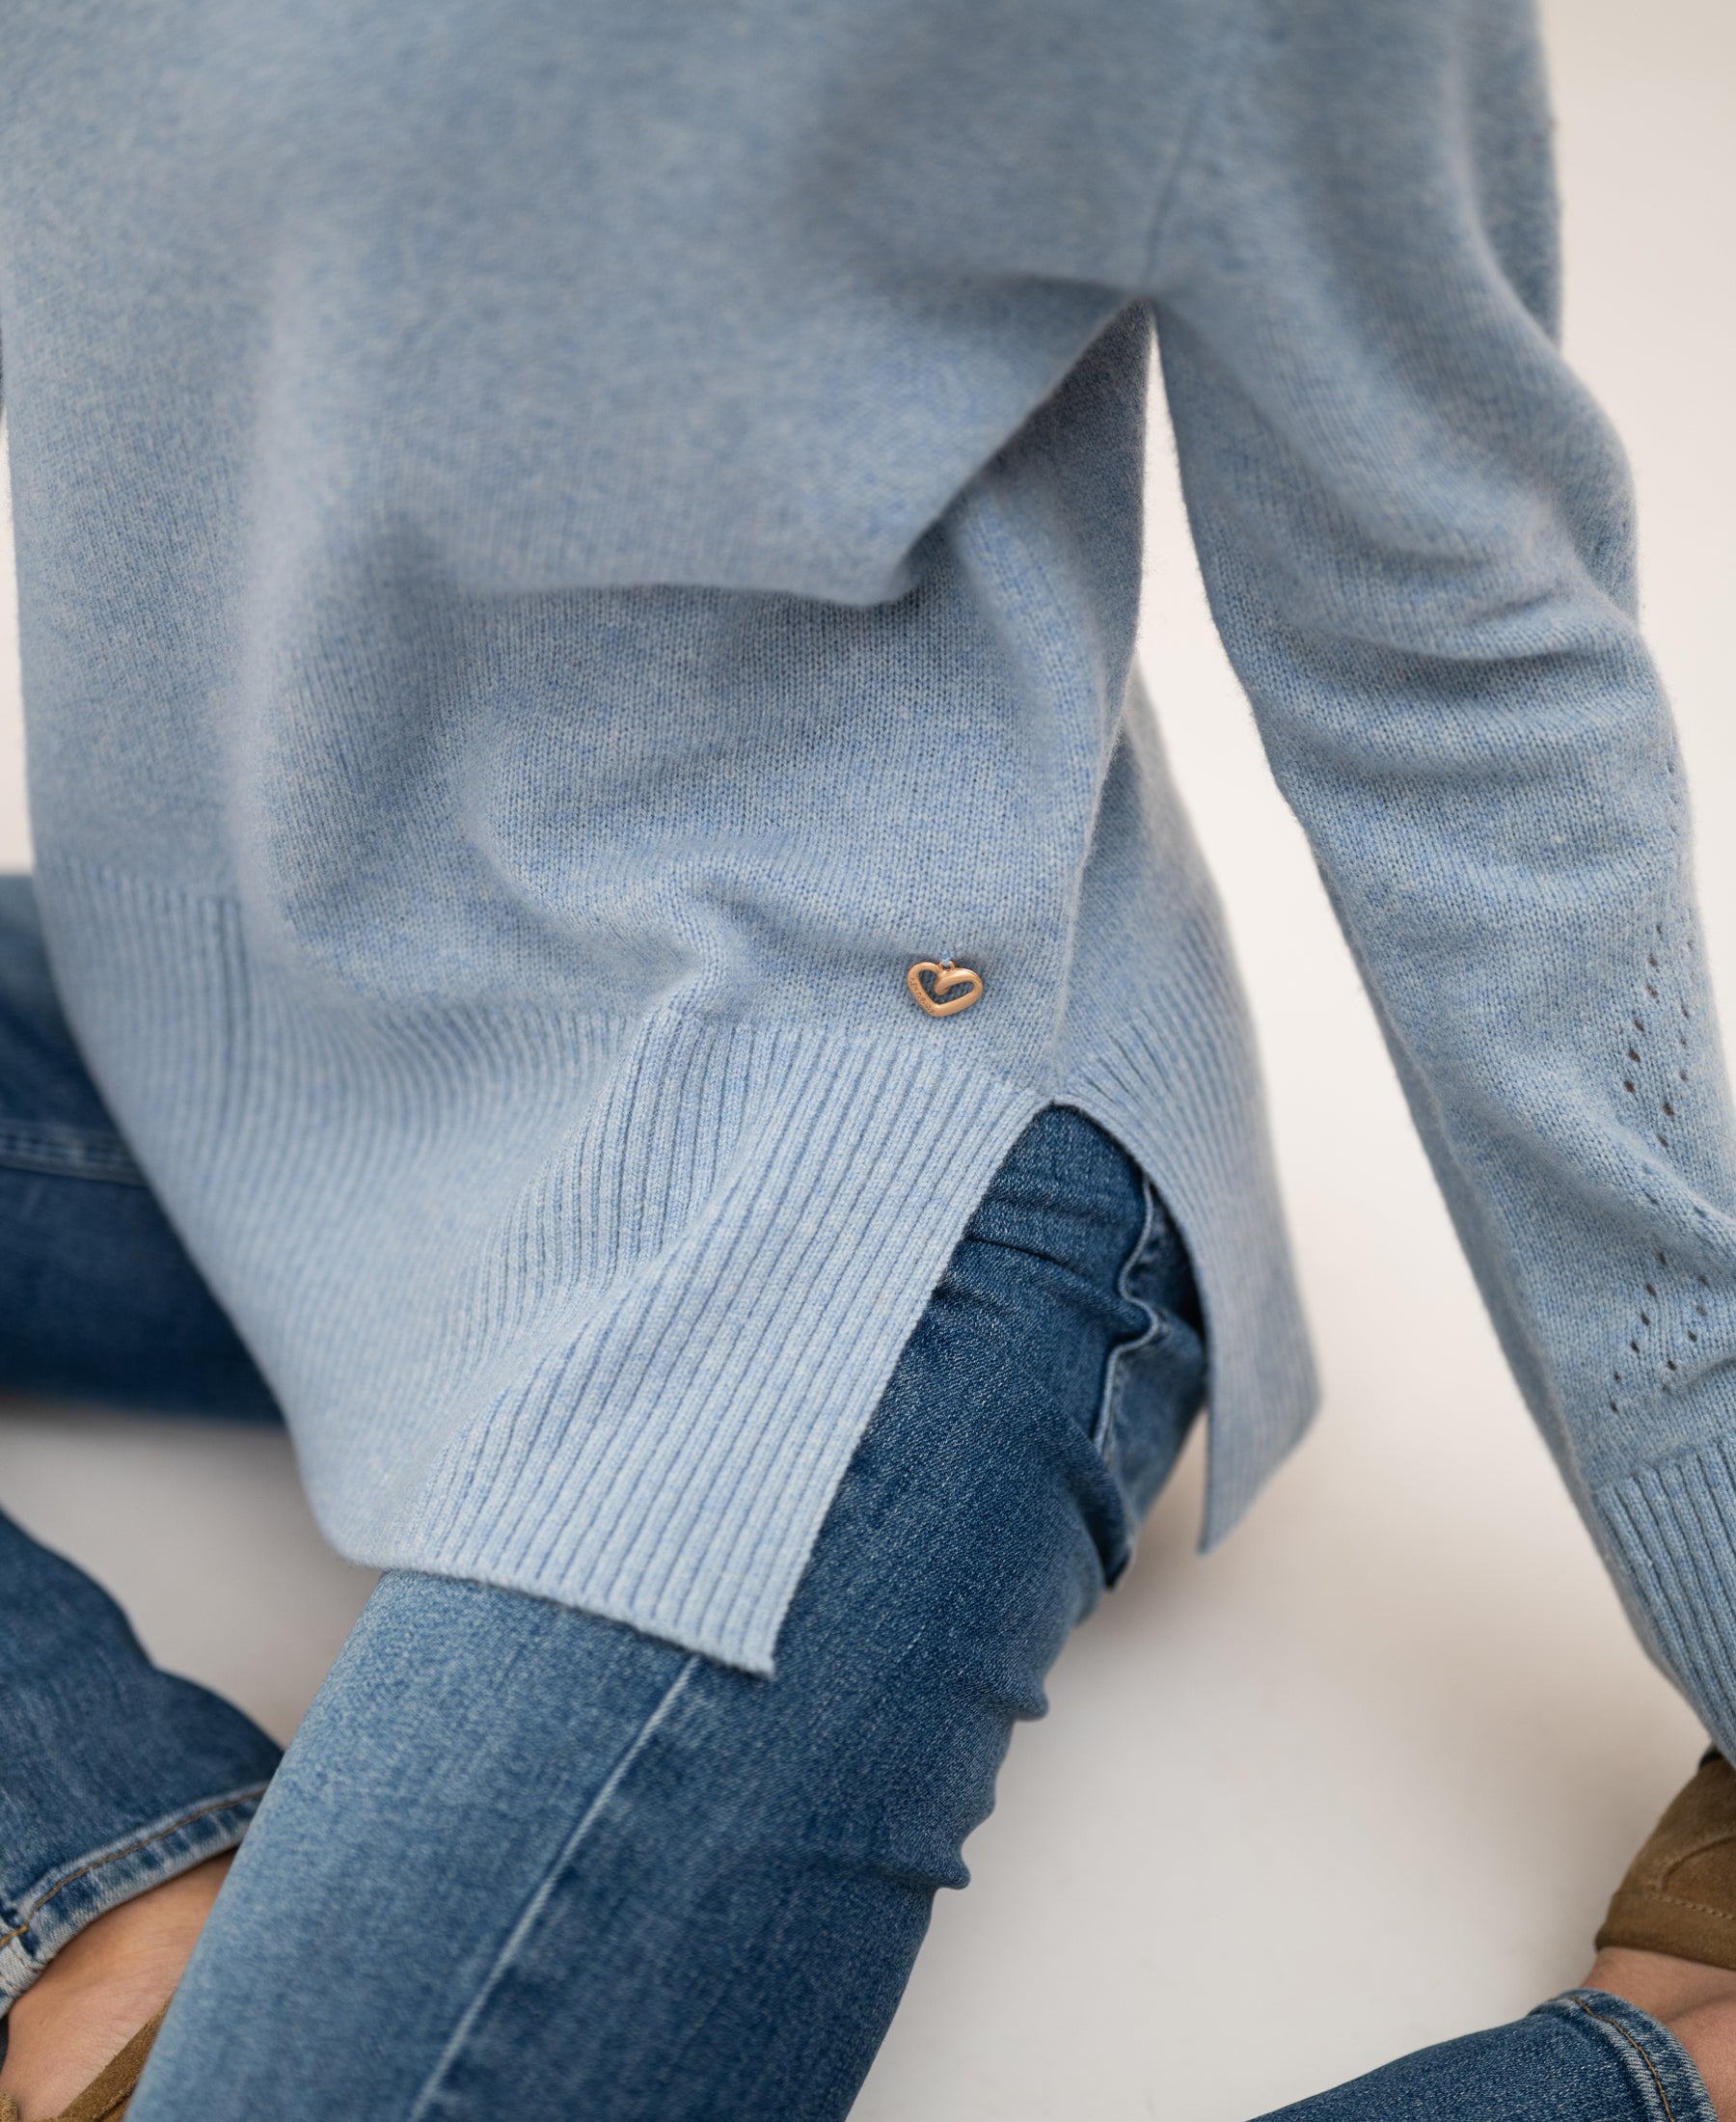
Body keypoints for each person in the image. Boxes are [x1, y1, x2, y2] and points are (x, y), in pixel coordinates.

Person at [0, 0, 1733, 2114]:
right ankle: (140, 1894)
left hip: (843, 1141)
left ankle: (1652, 2084)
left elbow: (1464, 681)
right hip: (273, 982)